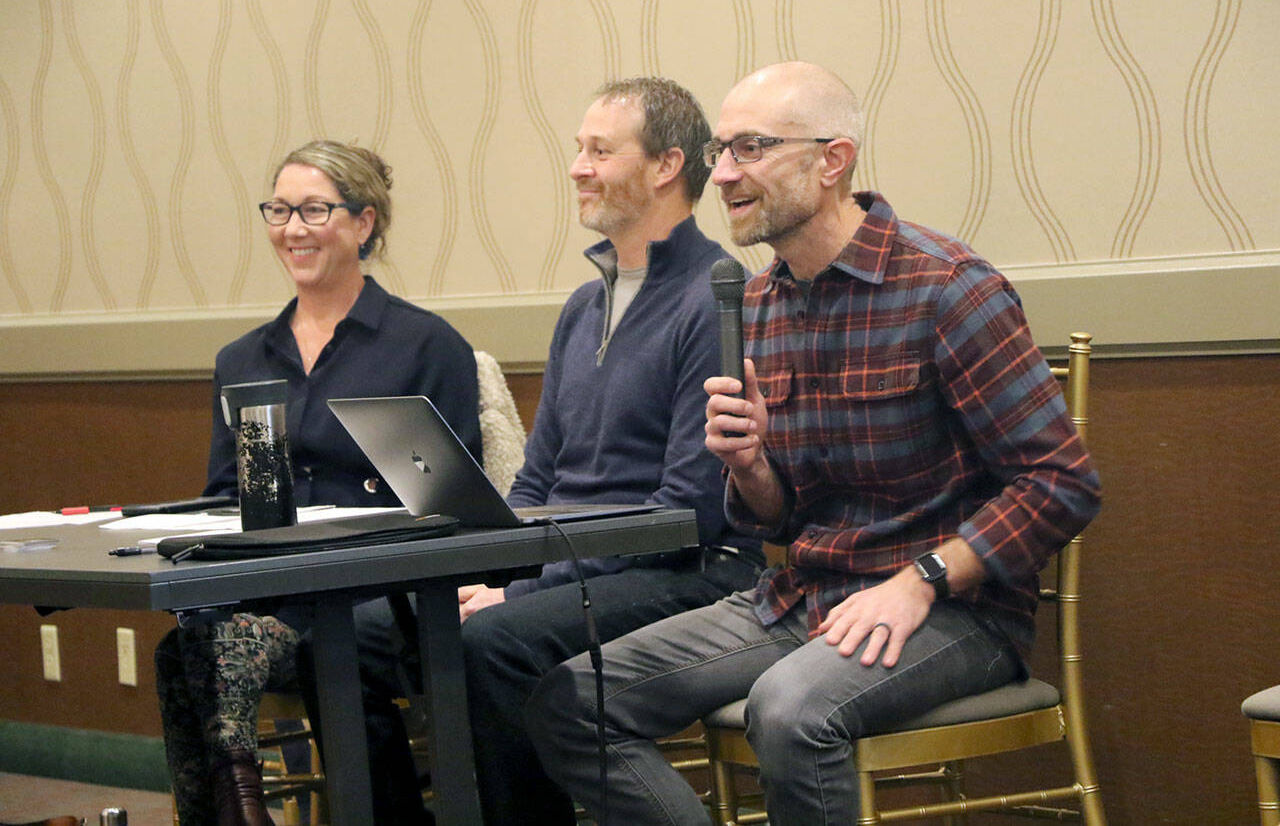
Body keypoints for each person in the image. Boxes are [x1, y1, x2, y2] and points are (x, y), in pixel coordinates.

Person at [525, 61, 1103, 825]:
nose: (724, 174)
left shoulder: (946, 287)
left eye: (751, 149)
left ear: (833, 160)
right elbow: (777, 515)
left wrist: (922, 578)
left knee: (790, 708)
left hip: (958, 611)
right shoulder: (756, 303)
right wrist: (752, 467)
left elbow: (1061, 482)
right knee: (570, 699)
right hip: (806, 597)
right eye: (721, 152)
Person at [457, 77, 764, 825]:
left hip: (687, 572)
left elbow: (683, 514)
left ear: (665, 165)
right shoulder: (583, 303)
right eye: (579, 149)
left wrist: (521, 591)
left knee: (495, 639)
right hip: (581, 566)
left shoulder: (717, 294)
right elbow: (538, 478)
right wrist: (474, 568)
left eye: (600, 150)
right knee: (391, 619)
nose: (578, 168)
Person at [154, 139, 480, 826]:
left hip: (379, 588)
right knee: (185, 646)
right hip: (275, 582)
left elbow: (450, 504)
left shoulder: (425, 345)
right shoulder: (242, 358)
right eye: (279, 209)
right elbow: (224, 496)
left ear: (364, 224)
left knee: (339, 643)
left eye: (314, 210)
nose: (292, 229)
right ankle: (234, 810)